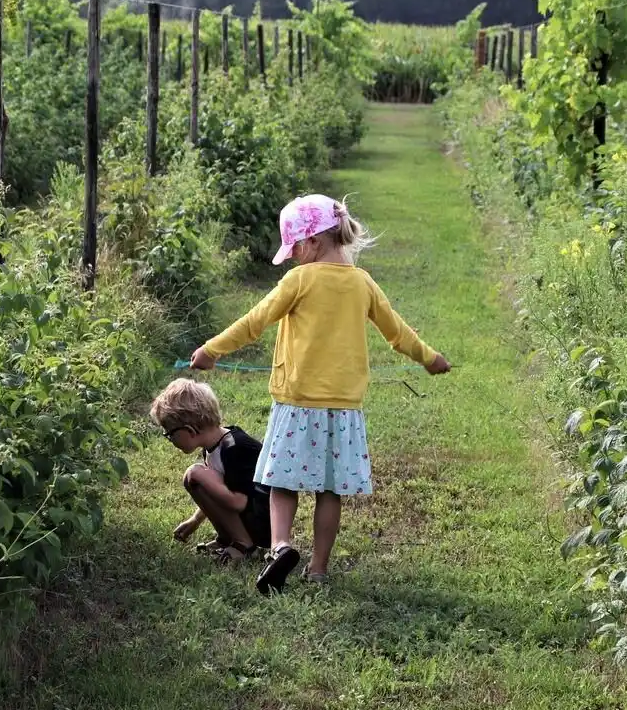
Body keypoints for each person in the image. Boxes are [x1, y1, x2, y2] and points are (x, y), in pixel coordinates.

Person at [190, 194, 451, 594]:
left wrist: (212, 350)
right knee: (330, 490)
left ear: (312, 242)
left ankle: (280, 547)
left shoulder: (300, 280)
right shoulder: (363, 283)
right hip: (343, 411)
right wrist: (430, 359)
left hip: (297, 404)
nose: (292, 258)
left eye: (294, 249)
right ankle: (318, 569)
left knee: (283, 483)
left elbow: (255, 321)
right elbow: (398, 333)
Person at [149, 378, 272, 564]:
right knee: (194, 479)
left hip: (265, 522)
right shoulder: (212, 447)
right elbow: (220, 491)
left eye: (170, 433)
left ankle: (245, 546)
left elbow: (239, 502)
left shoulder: (234, 448)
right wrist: (195, 520)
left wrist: (199, 474)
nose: (170, 439)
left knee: (195, 474)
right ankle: (228, 539)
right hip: (248, 515)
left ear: (190, 430)